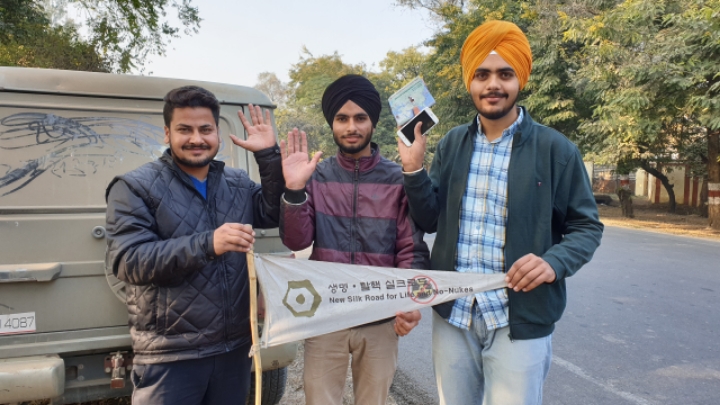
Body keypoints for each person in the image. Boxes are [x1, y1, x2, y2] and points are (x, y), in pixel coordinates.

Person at [397, 20, 604, 405]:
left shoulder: (556, 149)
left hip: (518, 317)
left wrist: (553, 262)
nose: (493, 84)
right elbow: (429, 219)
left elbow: (585, 226)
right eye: (482, 74)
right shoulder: (453, 144)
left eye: (504, 74)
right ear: (470, 82)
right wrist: (413, 168)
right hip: (454, 313)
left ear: (519, 78)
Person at [105, 85, 293, 404]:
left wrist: (267, 156)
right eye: (185, 129)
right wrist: (208, 243)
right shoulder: (134, 187)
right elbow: (129, 261)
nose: (196, 138)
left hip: (233, 349)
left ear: (217, 133)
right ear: (167, 133)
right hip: (170, 354)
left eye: (205, 129)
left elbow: (272, 212)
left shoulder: (235, 182)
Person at [280, 74, 430, 404]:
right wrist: (294, 190)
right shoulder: (316, 176)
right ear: (332, 123)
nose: (351, 127)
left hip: (380, 316)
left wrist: (409, 303)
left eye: (360, 118)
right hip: (326, 313)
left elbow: (410, 247)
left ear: (372, 123)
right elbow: (296, 241)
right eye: (342, 118)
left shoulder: (396, 178)